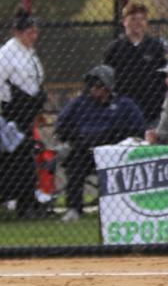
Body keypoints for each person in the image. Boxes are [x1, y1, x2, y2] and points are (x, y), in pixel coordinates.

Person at [54, 65, 146, 218]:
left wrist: (116, 136)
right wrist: (77, 137)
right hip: (87, 152)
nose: (93, 89)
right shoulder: (79, 104)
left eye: (98, 85)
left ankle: (124, 209)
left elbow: (139, 129)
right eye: (90, 85)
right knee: (76, 161)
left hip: (116, 153)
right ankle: (74, 209)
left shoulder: (124, 104)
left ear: (108, 86)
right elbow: (61, 126)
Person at [0, 12, 48, 216]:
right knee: (18, 157)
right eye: (29, 32)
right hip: (11, 112)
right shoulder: (7, 54)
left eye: (35, 31)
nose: (33, 36)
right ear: (17, 32)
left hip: (27, 111)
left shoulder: (29, 52)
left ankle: (27, 199)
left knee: (26, 154)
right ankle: (24, 201)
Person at [105, 0, 168, 126]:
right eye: (133, 19)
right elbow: (108, 80)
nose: (138, 23)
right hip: (124, 113)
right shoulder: (114, 49)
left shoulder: (156, 47)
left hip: (153, 111)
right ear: (124, 22)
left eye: (142, 19)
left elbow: (164, 78)